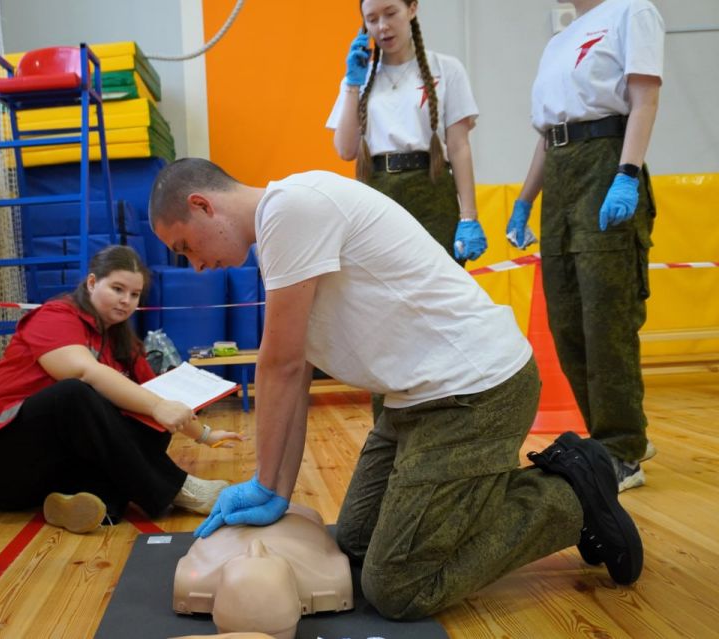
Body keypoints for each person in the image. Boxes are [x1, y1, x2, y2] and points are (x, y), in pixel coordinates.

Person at [149, 158, 643, 620]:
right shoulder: (282, 230)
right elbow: (295, 372)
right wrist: (274, 488)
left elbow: (280, 364)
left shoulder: (291, 209)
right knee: (357, 546)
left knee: (399, 586)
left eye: (185, 247)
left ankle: (571, 494)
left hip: (475, 394)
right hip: (417, 404)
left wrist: (263, 484)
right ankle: (472, 491)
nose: (193, 265)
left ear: (202, 205)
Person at [0, 245, 242, 532]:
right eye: (117, 289)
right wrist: (157, 406)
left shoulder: (122, 342)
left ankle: (84, 503)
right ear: (92, 283)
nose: (125, 300)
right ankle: (179, 489)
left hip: (44, 472)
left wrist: (205, 434)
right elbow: (83, 371)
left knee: (149, 426)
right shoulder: (55, 316)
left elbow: (159, 398)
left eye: (134, 294)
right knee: (73, 394)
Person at [506, 0, 664, 492]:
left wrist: (627, 174)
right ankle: (613, 435)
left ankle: (622, 451)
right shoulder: (559, 41)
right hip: (560, 174)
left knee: (606, 318)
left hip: (605, 163)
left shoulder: (631, 12)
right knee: (567, 321)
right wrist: (524, 201)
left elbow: (644, 99)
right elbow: (548, 132)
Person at [327, 0, 487, 267]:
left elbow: (459, 147)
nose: (383, 27)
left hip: (432, 190)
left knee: (437, 294)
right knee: (384, 297)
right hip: (378, 195)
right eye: (372, 19)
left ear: (412, 9)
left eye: (391, 14)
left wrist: (468, 217)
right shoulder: (360, 76)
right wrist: (353, 85)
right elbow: (345, 150)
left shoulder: (447, 69)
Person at [174, 503, 353, 639]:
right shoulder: (331, 576)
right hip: (301, 521)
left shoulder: (194, 577)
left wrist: (268, 486)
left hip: (297, 524)